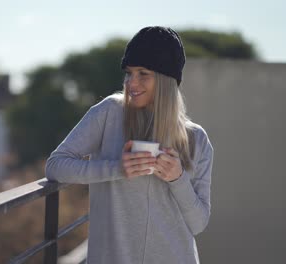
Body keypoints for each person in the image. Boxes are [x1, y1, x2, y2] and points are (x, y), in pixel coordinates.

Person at [45, 26, 213, 264]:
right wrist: (117, 168)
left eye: (143, 73)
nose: (132, 82)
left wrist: (178, 179)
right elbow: (55, 166)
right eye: (129, 73)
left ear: (166, 80)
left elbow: (198, 223)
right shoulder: (108, 113)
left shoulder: (197, 139)